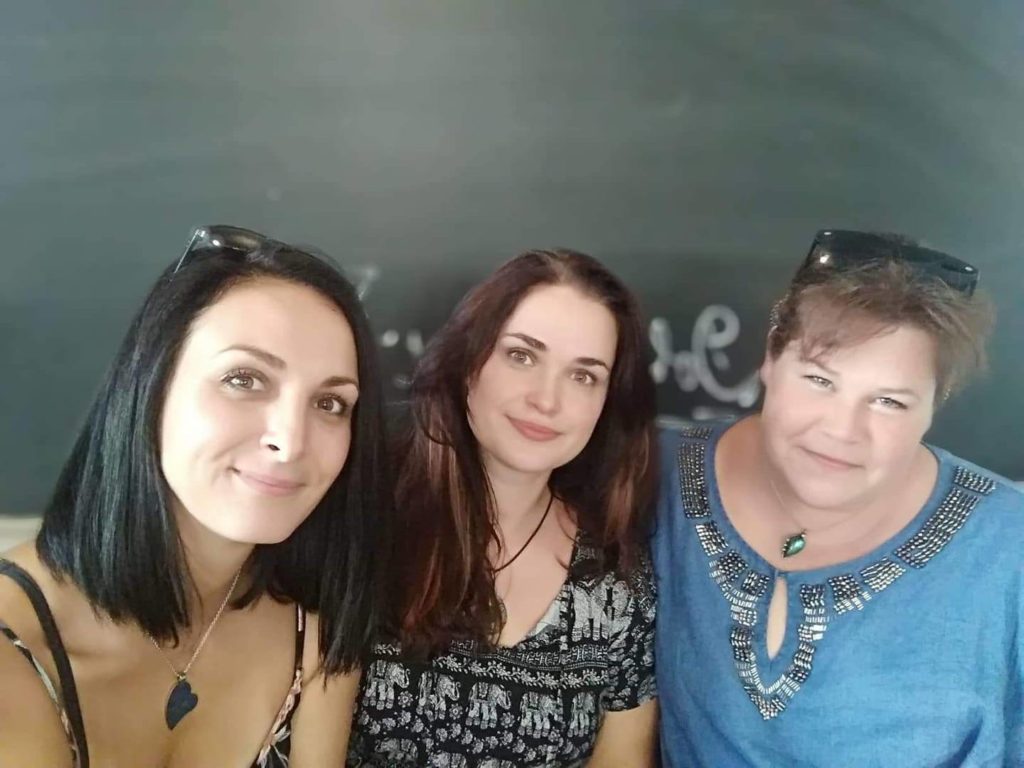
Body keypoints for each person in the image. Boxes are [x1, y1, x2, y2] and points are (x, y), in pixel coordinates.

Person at [0, 225, 391, 767]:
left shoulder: (314, 635)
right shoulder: (13, 648)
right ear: (150, 387)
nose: (291, 441)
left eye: (330, 403)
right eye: (244, 379)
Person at [654, 230, 1023, 767]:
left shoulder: (1008, 546)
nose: (841, 431)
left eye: (889, 402)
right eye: (819, 380)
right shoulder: (655, 475)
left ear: (934, 403)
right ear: (770, 358)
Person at [348, 248, 659, 767]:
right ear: (468, 362)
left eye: (583, 376)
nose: (547, 400)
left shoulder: (618, 580)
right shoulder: (362, 526)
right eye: (522, 355)